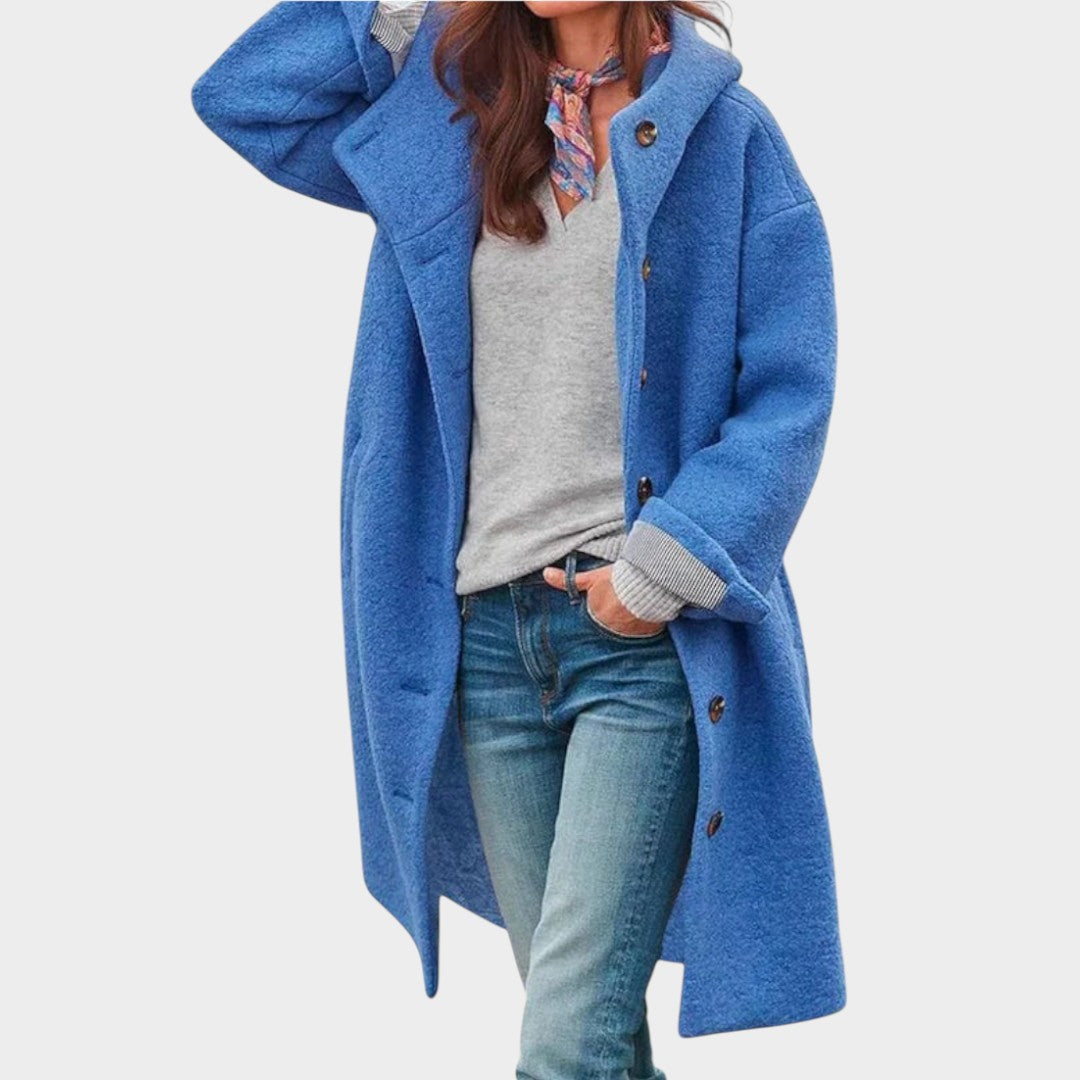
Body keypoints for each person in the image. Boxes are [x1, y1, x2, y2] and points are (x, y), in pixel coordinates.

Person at [191, 3, 846, 1076]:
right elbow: (247, 98)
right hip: (486, 646)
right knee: (589, 1031)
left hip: (640, 640)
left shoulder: (726, 138)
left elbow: (789, 390)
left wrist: (659, 573)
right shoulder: (457, 121)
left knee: (563, 1042)